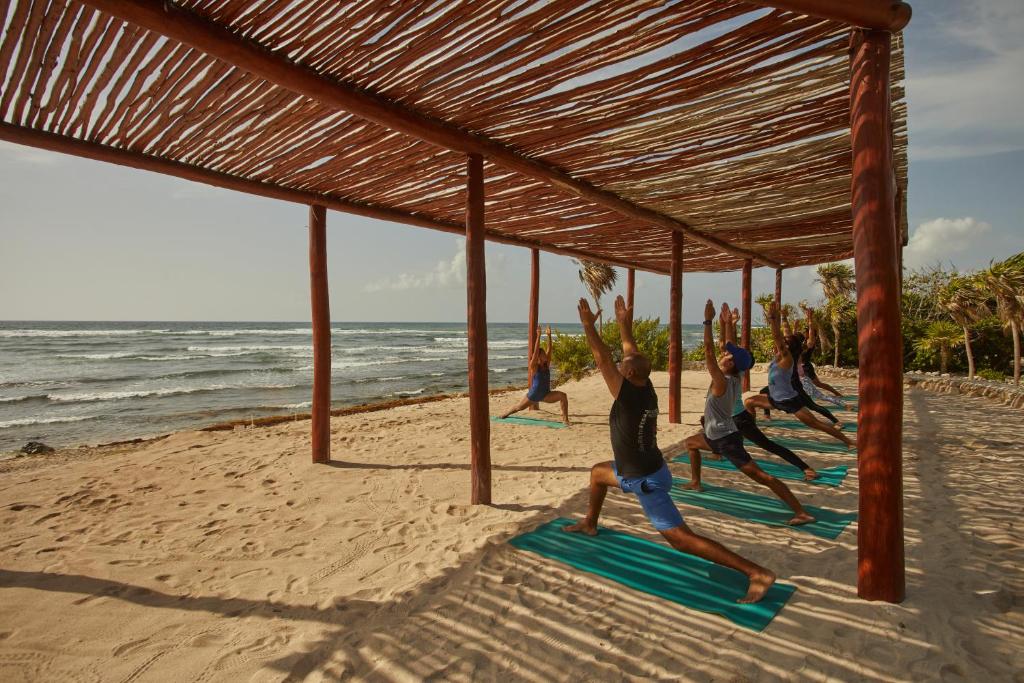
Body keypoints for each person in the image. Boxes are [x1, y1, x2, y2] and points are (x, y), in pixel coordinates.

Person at [563, 295, 777, 604]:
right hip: (649, 468)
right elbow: (630, 353)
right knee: (598, 473)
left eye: (624, 368)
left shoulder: (627, 396)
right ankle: (590, 523)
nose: (620, 369)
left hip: (645, 480)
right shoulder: (644, 385)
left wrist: (587, 326)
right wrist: (623, 324)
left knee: (680, 539)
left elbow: (603, 360)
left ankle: (756, 573)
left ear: (630, 375)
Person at [680, 301, 817, 526]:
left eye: (727, 356)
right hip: (718, 434)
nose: (724, 354)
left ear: (730, 363)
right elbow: (727, 346)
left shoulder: (721, 381)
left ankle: (801, 512)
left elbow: (708, 351)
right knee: (691, 444)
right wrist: (728, 323)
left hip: (726, 440)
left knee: (763, 477)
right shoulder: (738, 374)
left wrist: (708, 321)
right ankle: (696, 481)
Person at [711, 305, 818, 481]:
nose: (729, 355)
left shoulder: (733, 371)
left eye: (733, 355)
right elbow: (727, 345)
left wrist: (774, 320)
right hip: (727, 418)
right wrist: (728, 323)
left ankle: (806, 468)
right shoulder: (732, 367)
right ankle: (717, 452)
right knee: (708, 427)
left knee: (767, 444)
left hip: (738, 418)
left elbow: (728, 346)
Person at [744, 302, 853, 448]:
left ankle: (848, 441)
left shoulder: (787, 357)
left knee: (816, 423)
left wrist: (772, 319)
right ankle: (753, 431)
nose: (783, 341)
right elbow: (785, 334)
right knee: (749, 402)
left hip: (789, 400)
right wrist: (783, 317)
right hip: (774, 399)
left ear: (788, 347)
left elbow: (778, 336)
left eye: (785, 342)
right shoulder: (782, 354)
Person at [500, 324, 570, 425]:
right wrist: (538, 336)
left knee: (563, 396)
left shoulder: (547, 364)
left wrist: (549, 336)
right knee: (519, 408)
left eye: (545, 354)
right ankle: (506, 413)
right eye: (543, 355)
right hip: (533, 395)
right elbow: (536, 352)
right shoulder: (534, 367)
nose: (546, 355)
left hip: (546, 395)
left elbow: (550, 349)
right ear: (539, 357)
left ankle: (565, 420)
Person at [797, 305, 848, 410]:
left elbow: (811, 330)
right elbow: (793, 336)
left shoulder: (810, 343)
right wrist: (795, 327)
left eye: (805, 332)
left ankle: (835, 393)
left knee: (818, 384)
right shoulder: (800, 343)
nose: (804, 332)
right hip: (799, 368)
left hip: (806, 367)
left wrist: (810, 319)